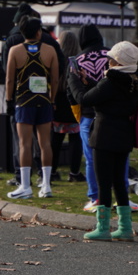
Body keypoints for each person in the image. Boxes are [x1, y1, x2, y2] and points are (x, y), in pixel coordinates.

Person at [70, 42, 138, 241]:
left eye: (111, 58)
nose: (108, 61)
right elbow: (103, 95)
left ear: (117, 61)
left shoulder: (110, 82)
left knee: (103, 182)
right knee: (119, 182)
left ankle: (103, 227)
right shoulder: (134, 80)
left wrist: (73, 80)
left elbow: (84, 99)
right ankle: (125, 227)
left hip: (104, 135)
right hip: (124, 134)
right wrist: (89, 82)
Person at [4, 16, 58, 200]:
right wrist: (52, 99)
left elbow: (10, 79)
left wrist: (8, 100)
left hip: (24, 101)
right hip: (44, 101)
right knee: (45, 143)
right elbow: (55, 79)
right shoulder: (50, 50)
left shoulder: (15, 50)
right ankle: (47, 185)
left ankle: (25, 186)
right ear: (39, 32)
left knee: (24, 144)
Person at [53, 31, 84, 182]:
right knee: (75, 138)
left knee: (55, 138)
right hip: (73, 102)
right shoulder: (77, 61)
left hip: (57, 102)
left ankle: (52, 171)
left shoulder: (56, 59)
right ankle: (74, 172)